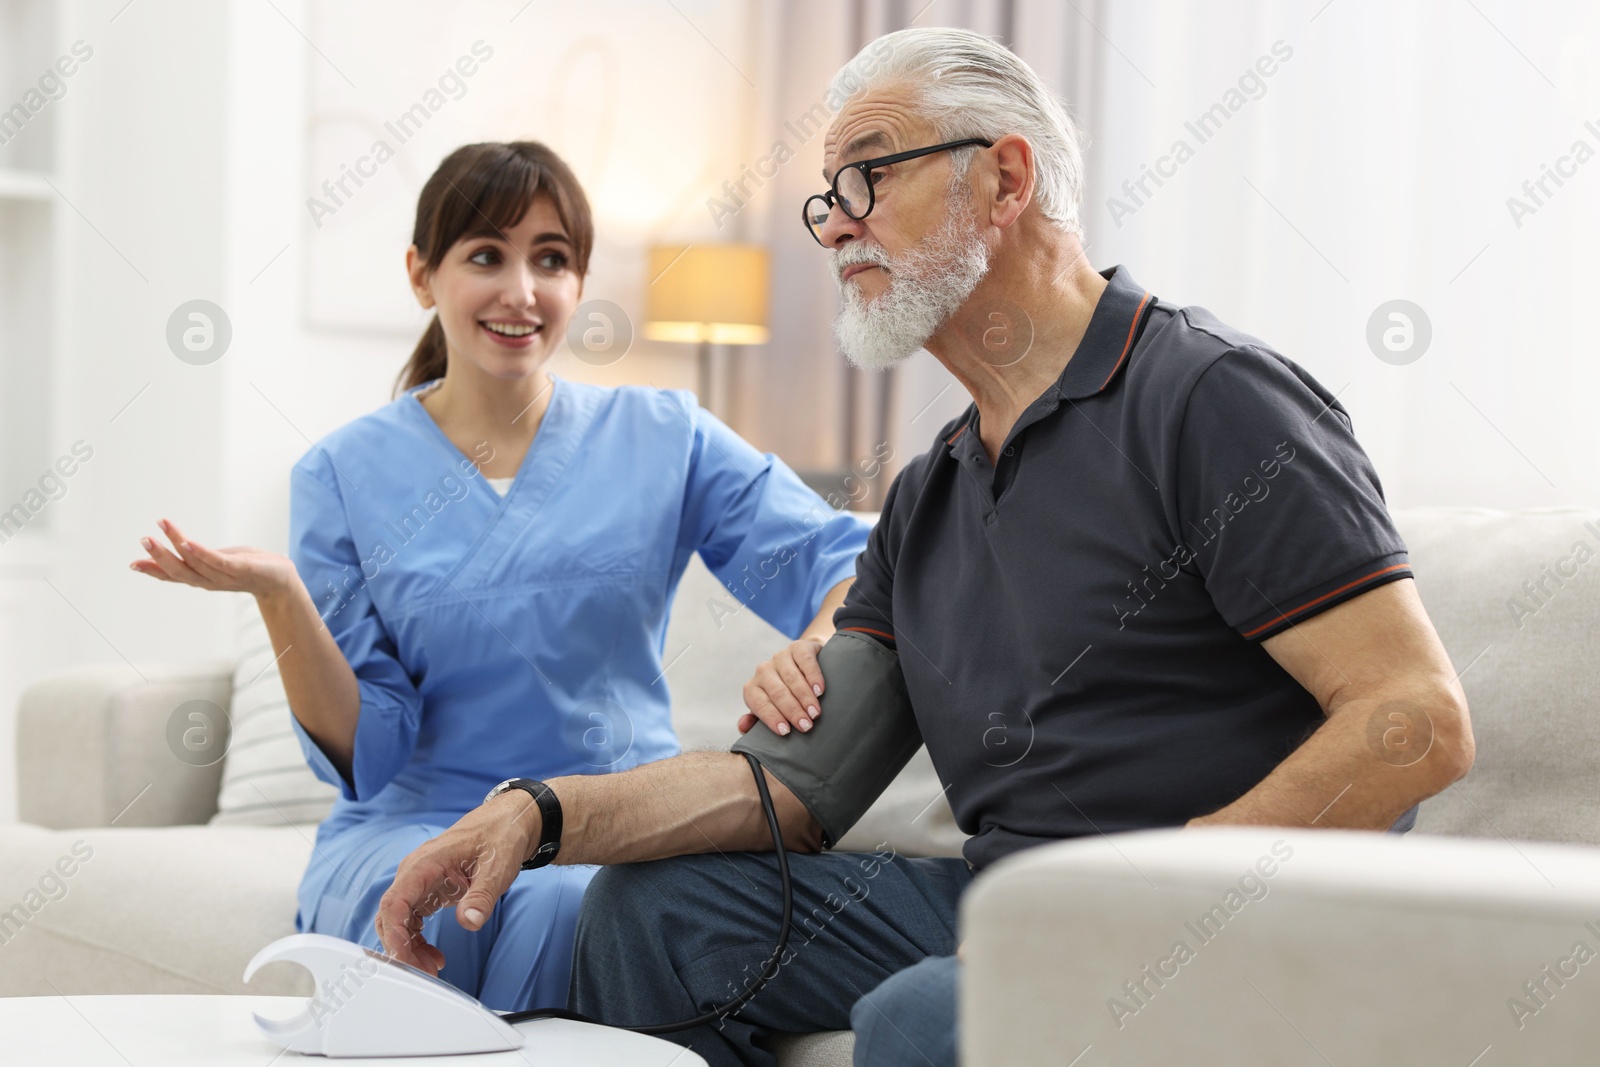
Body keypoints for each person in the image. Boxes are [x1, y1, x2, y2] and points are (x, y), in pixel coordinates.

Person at [372, 28, 1475, 1067]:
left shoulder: (1207, 397)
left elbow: (1414, 721)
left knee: (928, 1011)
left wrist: (1153, 888)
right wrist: (539, 811)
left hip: (1230, 915)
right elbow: (789, 788)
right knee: (657, 912)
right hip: (1014, 903)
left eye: (868, 178)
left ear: (1005, 178)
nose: (837, 224)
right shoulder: (931, 491)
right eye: (826, 199)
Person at [128, 140, 870, 1014]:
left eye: (550, 260)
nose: (522, 291)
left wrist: (816, 644)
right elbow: (371, 751)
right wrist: (281, 596)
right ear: (421, 274)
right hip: (418, 823)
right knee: (477, 907)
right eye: (486, 255)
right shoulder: (339, 473)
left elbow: (849, 563)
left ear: (579, 284)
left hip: (613, 820)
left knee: (571, 899)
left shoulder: (665, 436)